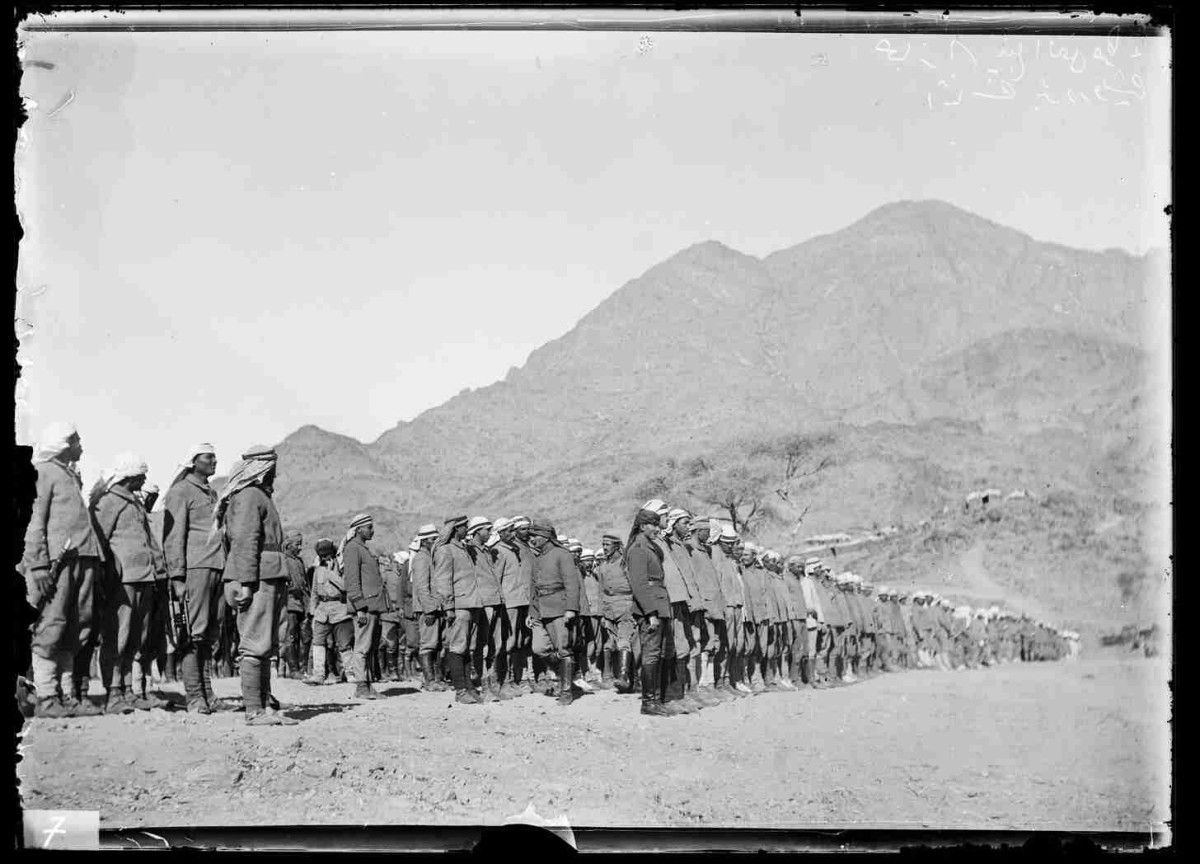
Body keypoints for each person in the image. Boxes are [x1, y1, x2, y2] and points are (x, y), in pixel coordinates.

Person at [22, 422, 105, 719]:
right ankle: (46, 696)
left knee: (75, 627)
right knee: (52, 624)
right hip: (57, 564)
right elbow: (33, 521)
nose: (81, 446)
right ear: (63, 443)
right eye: (77, 441)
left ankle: (67, 696)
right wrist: (38, 564)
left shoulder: (68, 474)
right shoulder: (43, 473)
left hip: (81, 560)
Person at [216, 445, 297, 726]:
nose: (274, 474)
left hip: (268, 574)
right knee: (254, 643)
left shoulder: (258, 496)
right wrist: (247, 582)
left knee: (266, 643)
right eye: (271, 469)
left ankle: (264, 705)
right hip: (257, 577)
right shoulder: (250, 496)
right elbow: (245, 541)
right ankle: (254, 710)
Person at [90, 453, 170, 713]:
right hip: (121, 581)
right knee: (118, 637)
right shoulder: (108, 502)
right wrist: (105, 576)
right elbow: (98, 540)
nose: (144, 479)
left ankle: (128, 690)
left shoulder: (134, 503)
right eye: (141, 475)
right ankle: (113, 693)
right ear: (129, 476)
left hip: (144, 579)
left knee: (136, 638)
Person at [162, 442, 227, 714]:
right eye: (208, 457)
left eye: (214, 456)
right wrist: (177, 576)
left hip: (217, 567)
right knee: (192, 633)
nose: (214, 461)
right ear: (193, 461)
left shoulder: (212, 492)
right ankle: (195, 696)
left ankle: (208, 694)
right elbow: (173, 536)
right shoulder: (180, 492)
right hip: (195, 568)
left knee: (210, 635)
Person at [625, 506, 675, 717]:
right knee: (651, 655)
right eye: (653, 525)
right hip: (651, 608)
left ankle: (656, 700)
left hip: (660, 604)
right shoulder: (638, 549)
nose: (657, 528)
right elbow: (639, 585)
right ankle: (648, 702)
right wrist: (651, 613)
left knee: (659, 654)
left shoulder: (649, 547)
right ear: (642, 526)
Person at [662, 509, 715, 709]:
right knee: (679, 647)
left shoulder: (684, 547)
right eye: (685, 523)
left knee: (693, 646)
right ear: (674, 524)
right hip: (680, 602)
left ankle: (690, 690)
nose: (688, 527)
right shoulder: (668, 545)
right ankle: (676, 692)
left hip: (692, 602)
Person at [527, 519, 581, 707]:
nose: (532, 539)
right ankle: (565, 676)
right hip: (540, 610)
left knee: (563, 650)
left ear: (545, 536)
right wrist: (532, 612)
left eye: (534, 536)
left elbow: (572, 584)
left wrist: (571, 609)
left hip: (559, 609)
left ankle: (566, 691)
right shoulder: (537, 558)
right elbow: (533, 588)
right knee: (539, 648)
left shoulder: (562, 554)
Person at [436, 514, 484, 703]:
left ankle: (469, 687)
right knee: (457, 647)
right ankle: (460, 690)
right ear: (456, 528)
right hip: (459, 606)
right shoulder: (445, 550)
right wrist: (448, 606)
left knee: (467, 648)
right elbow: (443, 580)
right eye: (465, 526)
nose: (467, 529)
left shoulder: (463, 549)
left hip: (472, 604)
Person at [341, 513, 385, 701]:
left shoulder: (362, 548)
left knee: (369, 647)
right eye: (369, 527)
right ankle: (361, 686)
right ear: (358, 529)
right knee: (362, 647)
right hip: (364, 606)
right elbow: (352, 580)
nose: (372, 530)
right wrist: (359, 606)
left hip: (372, 605)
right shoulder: (353, 548)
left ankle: (367, 685)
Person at [687, 519, 733, 701]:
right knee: (702, 645)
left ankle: (709, 683)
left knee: (713, 644)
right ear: (698, 531)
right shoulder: (689, 549)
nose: (709, 535)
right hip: (703, 603)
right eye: (706, 531)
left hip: (713, 604)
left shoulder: (706, 550)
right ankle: (700, 685)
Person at [305, 538, 353, 686]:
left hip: (340, 609)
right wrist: (312, 612)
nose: (325, 558)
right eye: (322, 555)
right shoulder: (317, 570)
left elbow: (345, 586)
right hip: (322, 611)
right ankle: (318, 674)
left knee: (344, 644)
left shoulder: (342, 568)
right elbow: (314, 592)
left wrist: (330, 573)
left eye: (327, 555)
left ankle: (350, 673)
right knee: (318, 642)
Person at [711, 525, 749, 697]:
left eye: (733, 543)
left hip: (736, 605)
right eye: (728, 543)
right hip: (726, 606)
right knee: (723, 645)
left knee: (733, 645)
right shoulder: (715, 555)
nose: (732, 546)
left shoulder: (730, 560)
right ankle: (719, 681)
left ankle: (727, 680)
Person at [494, 518, 530, 698]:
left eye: (511, 530)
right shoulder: (499, 551)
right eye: (507, 531)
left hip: (520, 600)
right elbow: (497, 579)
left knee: (518, 641)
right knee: (508, 642)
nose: (511, 533)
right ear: (500, 533)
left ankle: (516, 679)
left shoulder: (513, 550)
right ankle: (504, 680)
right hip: (509, 602)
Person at [410, 524, 448, 691]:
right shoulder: (421, 558)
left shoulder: (429, 557)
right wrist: (429, 609)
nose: (435, 542)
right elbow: (422, 587)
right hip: (428, 609)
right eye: (433, 539)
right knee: (428, 644)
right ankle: (429, 681)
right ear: (425, 541)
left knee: (438, 644)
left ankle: (438, 679)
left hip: (435, 607)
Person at [596, 532, 634, 693]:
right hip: (608, 610)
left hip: (625, 607)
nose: (605, 548)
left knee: (624, 642)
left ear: (617, 546)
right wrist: (602, 614)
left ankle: (624, 677)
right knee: (609, 644)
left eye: (608, 544)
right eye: (603, 544)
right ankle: (608, 677)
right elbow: (601, 591)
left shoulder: (625, 564)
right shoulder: (603, 566)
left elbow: (634, 586)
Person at [279, 529, 310, 679]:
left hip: (303, 604)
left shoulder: (300, 561)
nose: (300, 547)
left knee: (305, 637)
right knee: (291, 637)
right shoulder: (282, 560)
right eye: (297, 544)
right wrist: (291, 589)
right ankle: (293, 669)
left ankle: (303, 669)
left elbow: (305, 584)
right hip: (289, 603)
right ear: (288, 545)